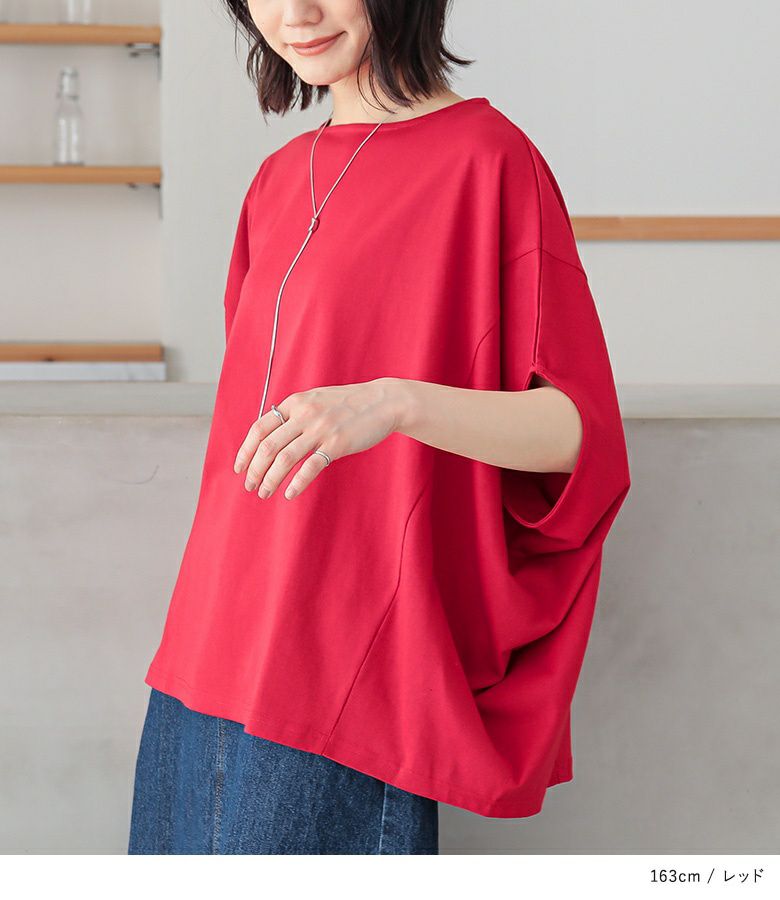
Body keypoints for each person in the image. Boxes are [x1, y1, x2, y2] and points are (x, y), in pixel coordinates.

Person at [128, 0, 631, 855]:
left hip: (344, 674)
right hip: (208, 650)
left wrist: (396, 402)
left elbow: (577, 435)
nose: (296, 14)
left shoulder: (488, 161)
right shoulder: (276, 181)